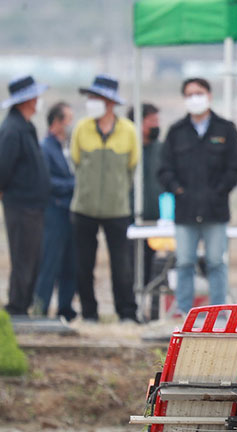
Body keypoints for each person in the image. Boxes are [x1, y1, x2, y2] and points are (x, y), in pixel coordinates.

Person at [159, 77, 237, 316]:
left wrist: (218, 192)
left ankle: (218, 312)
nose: (194, 98)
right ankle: (185, 312)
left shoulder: (225, 129)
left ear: (208, 96)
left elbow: (235, 168)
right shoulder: (177, 132)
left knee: (216, 262)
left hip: (215, 210)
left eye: (199, 93)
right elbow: (164, 169)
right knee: (184, 262)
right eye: (189, 94)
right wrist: (177, 190)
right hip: (185, 210)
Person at [70, 74, 139, 323]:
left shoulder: (128, 131)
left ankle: (127, 312)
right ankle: (89, 312)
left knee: (122, 265)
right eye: (90, 97)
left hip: (117, 210)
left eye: (95, 97)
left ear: (110, 102)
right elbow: (77, 163)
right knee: (83, 264)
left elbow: (131, 167)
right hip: (84, 208)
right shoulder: (81, 128)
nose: (91, 102)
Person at [0, 75, 51, 317]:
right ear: (27, 100)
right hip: (20, 205)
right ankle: (17, 306)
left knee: (33, 257)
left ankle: (24, 304)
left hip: (34, 205)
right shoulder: (12, 129)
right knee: (23, 257)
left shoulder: (26, 126)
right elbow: (3, 168)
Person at [32, 101, 77, 321]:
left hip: (70, 213)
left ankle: (65, 309)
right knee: (50, 262)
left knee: (70, 264)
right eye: (68, 120)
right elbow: (47, 182)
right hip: (54, 213)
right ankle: (40, 309)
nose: (71, 124)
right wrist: (75, 185)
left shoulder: (66, 148)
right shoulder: (46, 148)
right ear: (57, 122)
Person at [127, 102, 162, 320]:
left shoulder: (162, 149)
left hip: (158, 220)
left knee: (154, 268)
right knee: (131, 266)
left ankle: (152, 309)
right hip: (132, 217)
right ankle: (132, 308)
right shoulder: (130, 148)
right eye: (152, 121)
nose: (156, 125)